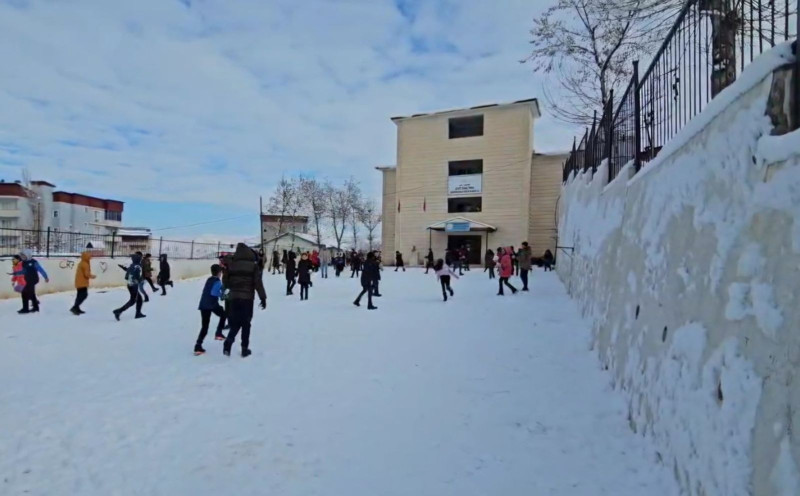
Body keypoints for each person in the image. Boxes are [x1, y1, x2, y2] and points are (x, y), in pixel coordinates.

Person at [223, 243, 267, 358]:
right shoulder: (253, 266)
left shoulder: (232, 264)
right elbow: (258, 283)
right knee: (246, 323)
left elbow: (225, 281)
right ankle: (244, 348)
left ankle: (229, 341)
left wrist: (229, 291)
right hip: (247, 298)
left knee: (236, 322)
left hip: (233, 297)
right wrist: (263, 297)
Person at [193, 264, 227, 355]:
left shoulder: (209, 279)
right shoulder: (217, 281)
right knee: (224, 314)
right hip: (211, 304)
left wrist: (222, 290)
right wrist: (222, 295)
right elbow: (214, 292)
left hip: (203, 305)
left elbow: (211, 290)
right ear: (219, 273)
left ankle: (198, 345)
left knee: (204, 326)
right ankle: (218, 333)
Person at [14, 250, 49, 314]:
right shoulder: (23, 263)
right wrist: (17, 274)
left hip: (33, 279)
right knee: (27, 293)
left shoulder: (34, 262)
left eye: (23, 256)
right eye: (21, 256)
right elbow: (23, 271)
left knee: (29, 293)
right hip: (26, 280)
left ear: (28, 255)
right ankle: (29, 308)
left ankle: (30, 308)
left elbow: (40, 269)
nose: (22, 257)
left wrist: (45, 277)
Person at [113, 253, 146, 320]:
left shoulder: (132, 265)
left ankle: (138, 313)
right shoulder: (138, 266)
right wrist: (140, 280)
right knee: (133, 301)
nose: (141, 259)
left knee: (139, 299)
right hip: (134, 285)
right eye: (140, 258)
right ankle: (118, 311)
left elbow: (127, 275)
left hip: (129, 285)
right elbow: (138, 276)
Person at [71, 250, 96, 315]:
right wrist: (92, 276)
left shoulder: (82, 262)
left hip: (79, 282)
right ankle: (75, 307)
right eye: (89, 257)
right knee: (84, 295)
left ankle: (76, 308)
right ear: (86, 257)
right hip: (82, 283)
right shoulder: (85, 264)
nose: (90, 258)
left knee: (79, 296)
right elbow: (86, 274)